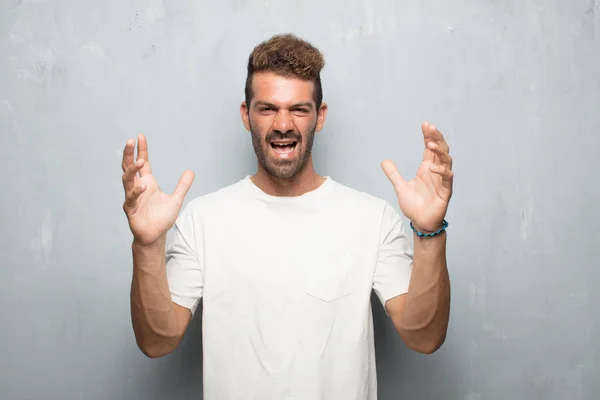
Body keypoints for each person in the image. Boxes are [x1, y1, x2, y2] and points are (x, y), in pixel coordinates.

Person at [121, 34, 453, 400]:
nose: (283, 124)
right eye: (267, 109)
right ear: (246, 115)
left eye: (298, 109)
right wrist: (148, 244)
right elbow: (156, 341)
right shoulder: (203, 220)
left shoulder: (371, 220)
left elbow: (424, 336)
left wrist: (429, 230)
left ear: (320, 116)